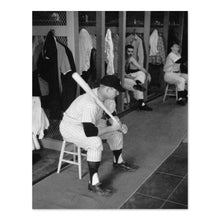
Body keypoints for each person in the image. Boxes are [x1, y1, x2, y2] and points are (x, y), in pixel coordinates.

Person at [59, 75, 137, 197]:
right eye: (115, 90)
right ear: (107, 89)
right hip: (71, 126)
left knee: (116, 133)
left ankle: (118, 161)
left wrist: (119, 125)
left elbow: (112, 115)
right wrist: (111, 127)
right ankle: (93, 183)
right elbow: (89, 132)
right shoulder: (90, 103)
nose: (117, 93)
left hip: (91, 123)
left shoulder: (109, 99)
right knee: (95, 142)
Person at [124, 45, 152, 111]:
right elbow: (121, 73)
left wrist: (148, 74)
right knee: (136, 85)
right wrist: (132, 78)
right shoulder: (121, 57)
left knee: (141, 73)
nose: (130, 53)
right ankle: (141, 104)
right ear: (125, 51)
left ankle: (138, 83)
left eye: (132, 52)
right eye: (128, 51)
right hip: (120, 78)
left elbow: (140, 67)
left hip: (127, 76)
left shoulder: (130, 58)